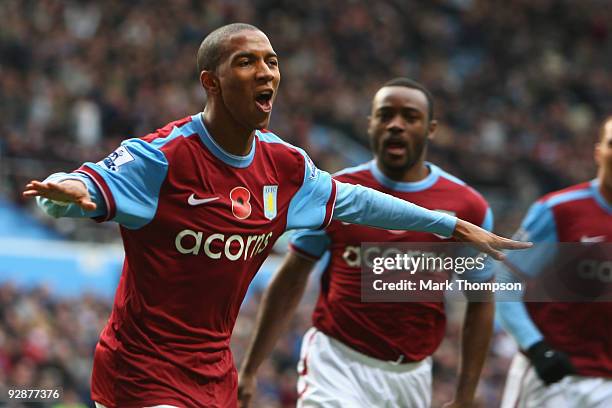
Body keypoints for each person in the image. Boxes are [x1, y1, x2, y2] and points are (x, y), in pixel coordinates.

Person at [23, 24, 527, 408]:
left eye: (272, 61)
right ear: (211, 82)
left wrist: (449, 225)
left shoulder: (286, 168)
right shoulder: (163, 157)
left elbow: (358, 201)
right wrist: (64, 193)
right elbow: (83, 184)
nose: (266, 72)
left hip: (213, 371)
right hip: (140, 371)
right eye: (246, 62)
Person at [238, 78, 496, 408]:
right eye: (385, 115)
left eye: (410, 117)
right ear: (370, 124)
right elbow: (291, 276)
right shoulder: (336, 192)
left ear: (430, 129)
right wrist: (250, 369)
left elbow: (480, 300)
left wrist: (464, 397)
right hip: (336, 364)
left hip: (412, 376)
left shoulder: (467, 206)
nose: (396, 126)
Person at [496, 116, 612, 408]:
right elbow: (504, 281)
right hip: (555, 378)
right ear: (598, 152)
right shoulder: (560, 211)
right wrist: (537, 348)